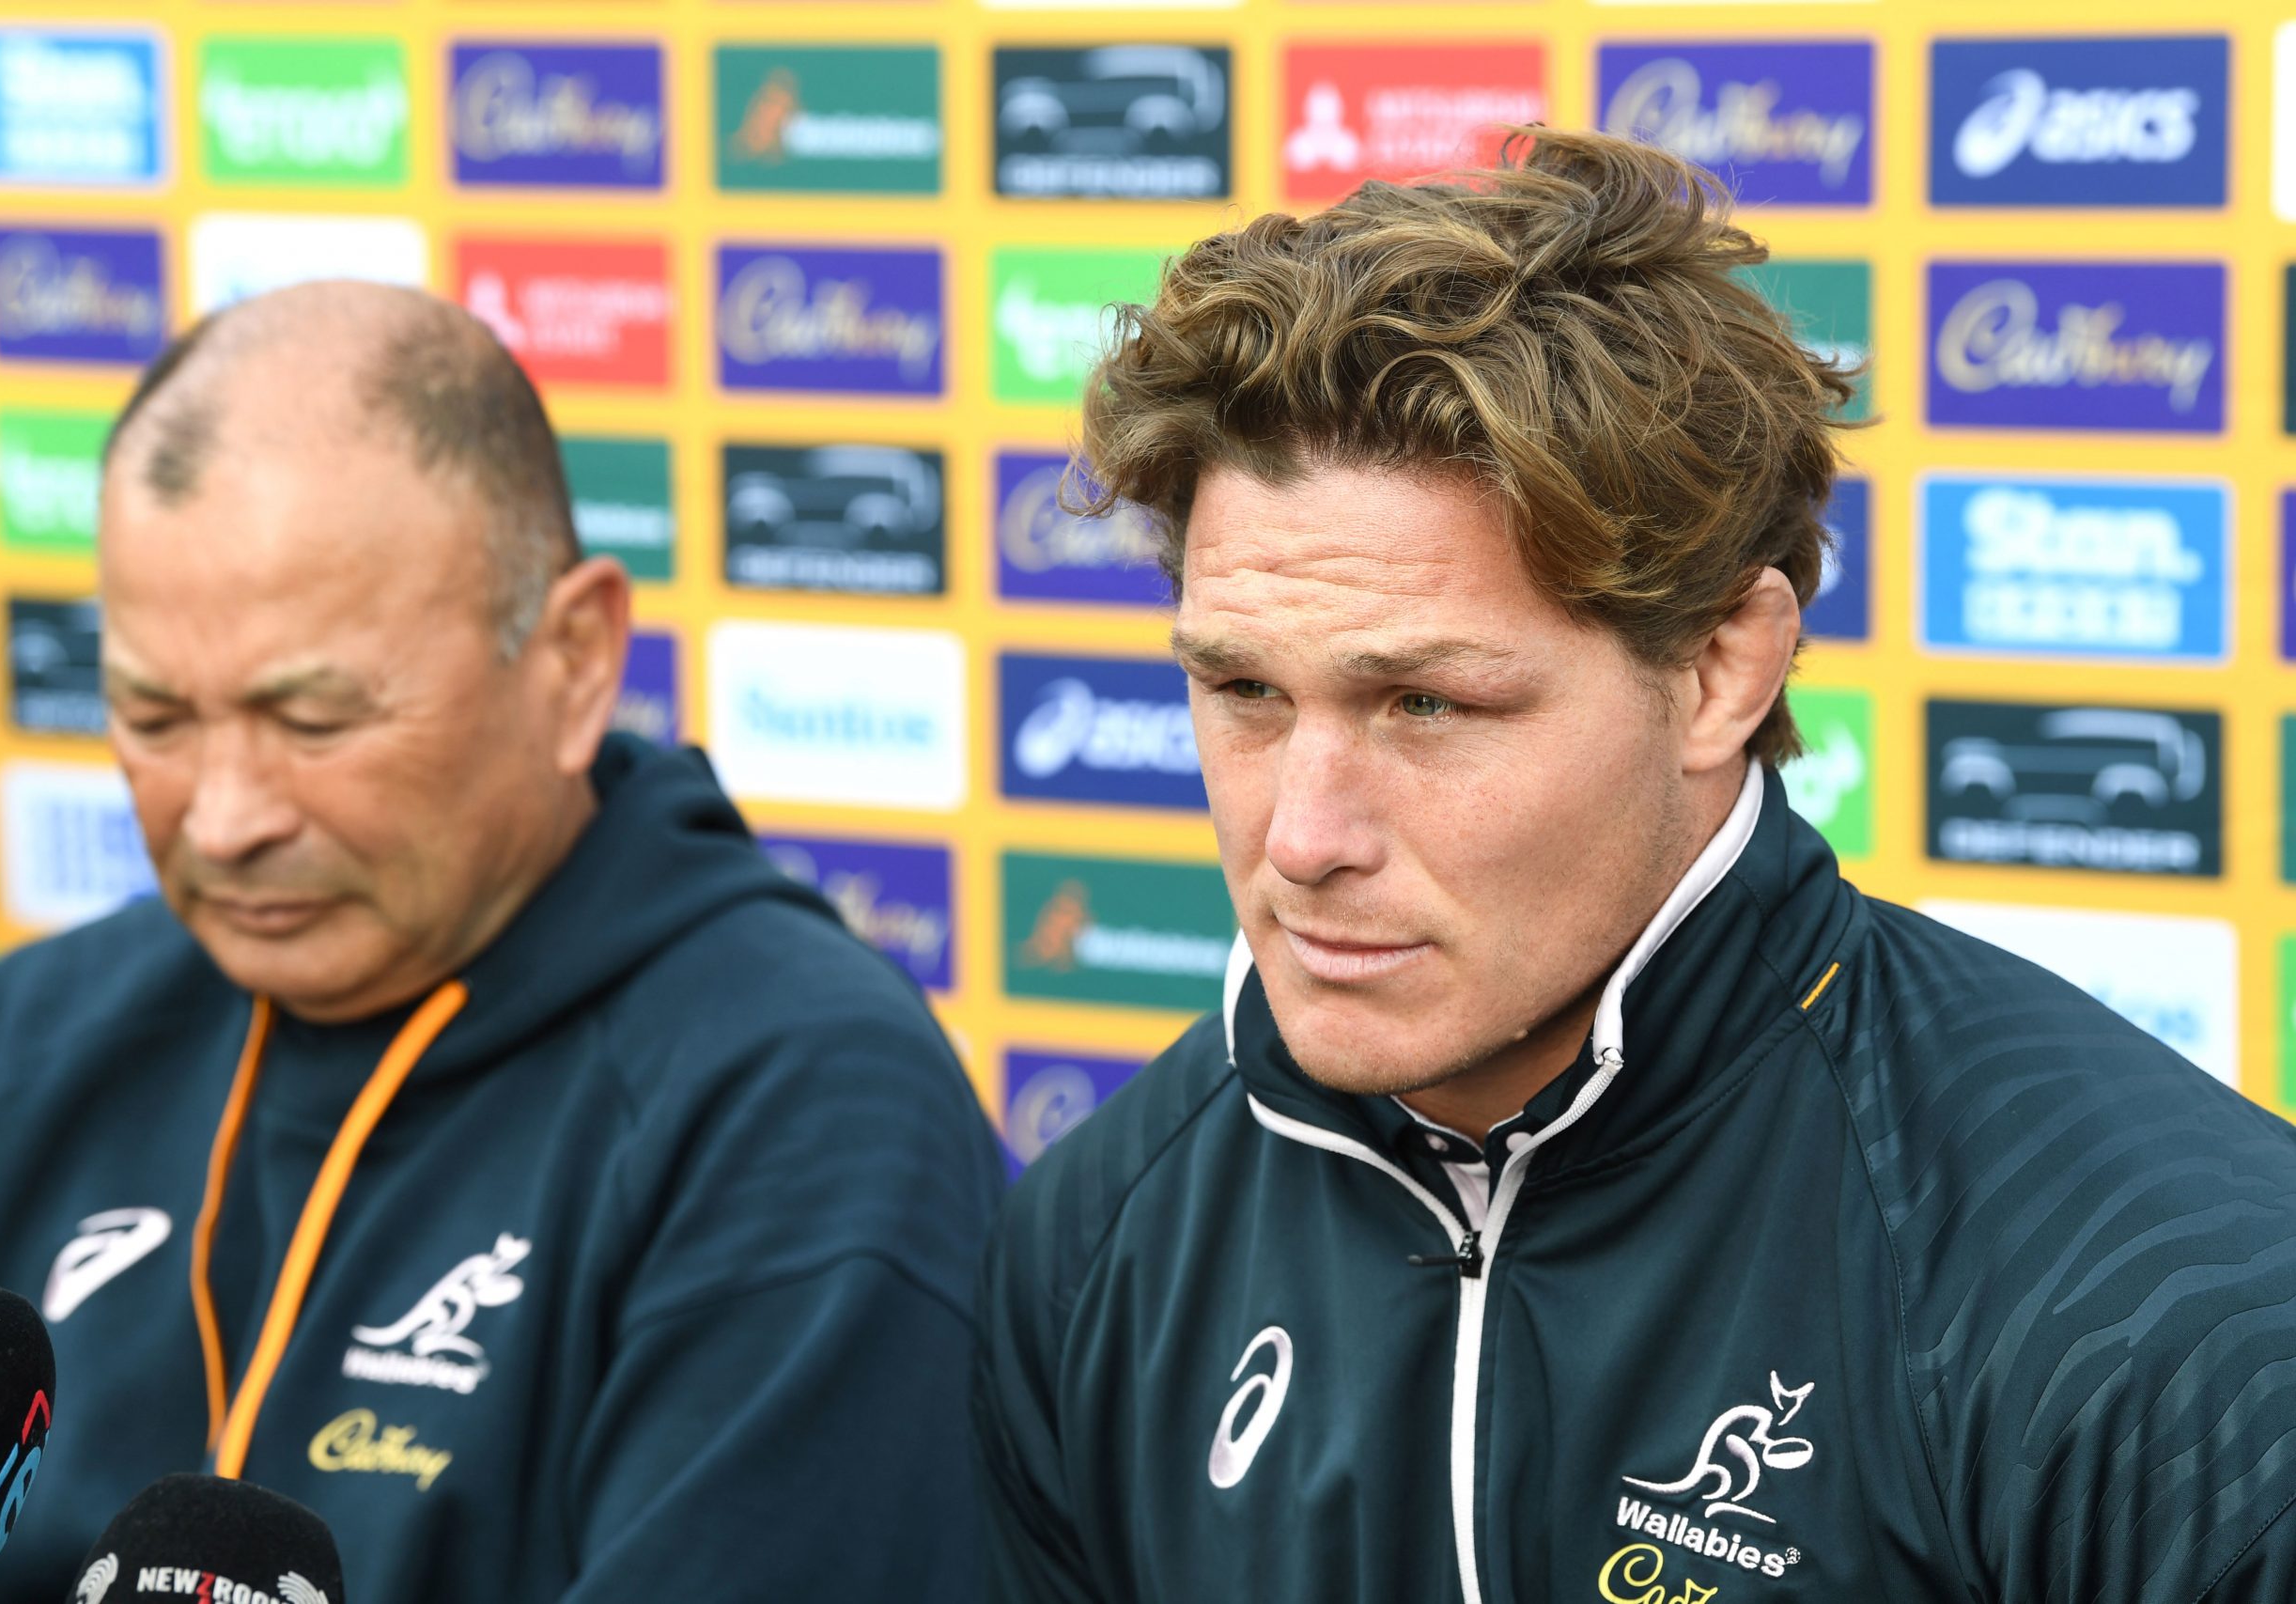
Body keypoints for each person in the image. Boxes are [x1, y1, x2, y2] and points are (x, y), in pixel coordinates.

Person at [972, 126, 2296, 1603]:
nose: (1303, 839)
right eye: (1245, 695)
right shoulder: (1098, 1242)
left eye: (1427, 705)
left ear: (1726, 667)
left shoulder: (2167, 1318)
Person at [0, 281, 1002, 1601]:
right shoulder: (35, 1037)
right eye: (154, 716)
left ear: (575, 659)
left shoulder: (802, 1109)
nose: (227, 816)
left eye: (314, 721)